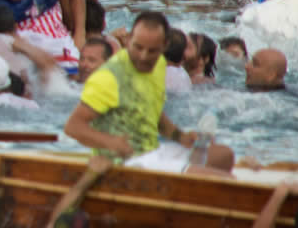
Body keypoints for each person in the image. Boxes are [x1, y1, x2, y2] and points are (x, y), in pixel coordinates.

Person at [64, 10, 235, 173]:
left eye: (152, 50)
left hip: (151, 150)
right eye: (138, 48)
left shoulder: (158, 66)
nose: (144, 56)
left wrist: (182, 137)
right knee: (218, 177)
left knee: (223, 156)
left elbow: (155, 117)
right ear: (129, 40)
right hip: (125, 161)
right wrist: (112, 143)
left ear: (164, 46)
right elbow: (73, 127)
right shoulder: (110, 77)